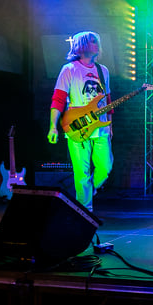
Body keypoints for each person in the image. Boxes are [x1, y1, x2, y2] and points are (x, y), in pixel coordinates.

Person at [47, 31, 113, 212]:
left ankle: (87, 194)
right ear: (81, 45)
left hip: (100, 127)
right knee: (81, 173)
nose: (96, 44)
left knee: (105, 168)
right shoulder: (69, 69)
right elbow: (58, 99)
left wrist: (110, 124)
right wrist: (53, 127)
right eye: (92, 41)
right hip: (77, 126)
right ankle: (85, 212)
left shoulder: (103, 70)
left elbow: (108, 100)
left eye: (97, 41)